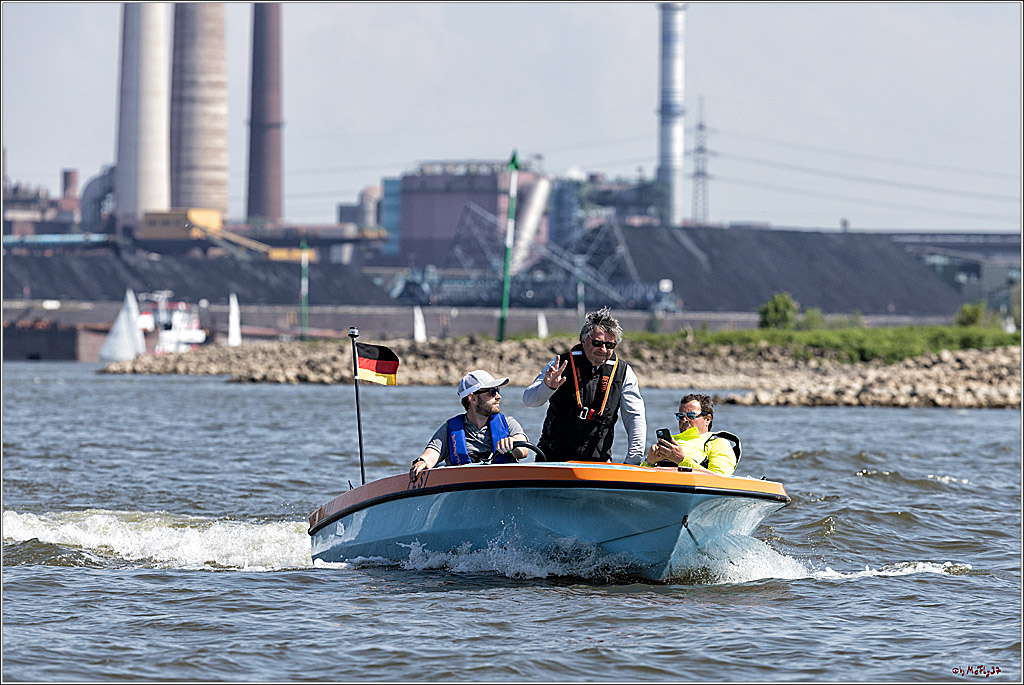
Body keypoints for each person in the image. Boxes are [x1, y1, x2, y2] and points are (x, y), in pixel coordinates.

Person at [523, 307, 646, 463]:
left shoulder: (624, 372)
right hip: (553, 459)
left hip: (597, 462)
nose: (603, 349)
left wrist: (633, 459)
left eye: (609, 345)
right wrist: (547, 387)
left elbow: (634, 416)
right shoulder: (560, 364)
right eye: (597, 343)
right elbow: (529, 400)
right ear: (583, 340)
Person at [410, 369, 530, 477]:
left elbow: (524, 451)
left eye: (497, 391)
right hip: (465, 487)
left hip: (503, 485)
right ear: (472, 398)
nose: (498, 396)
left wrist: (513, 444)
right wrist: (421, 462)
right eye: (492, 392)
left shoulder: (508, 424)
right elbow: (431, 455)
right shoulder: (450, 429)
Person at [642, 393, 741, 476]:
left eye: (691, 416)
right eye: (680, 416)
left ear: (707, 419)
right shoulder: (671, 444)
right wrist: (649, 462)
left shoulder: (718, 444)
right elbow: (640, 478)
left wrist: (681, 460)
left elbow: (720, 479)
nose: (684, 420)